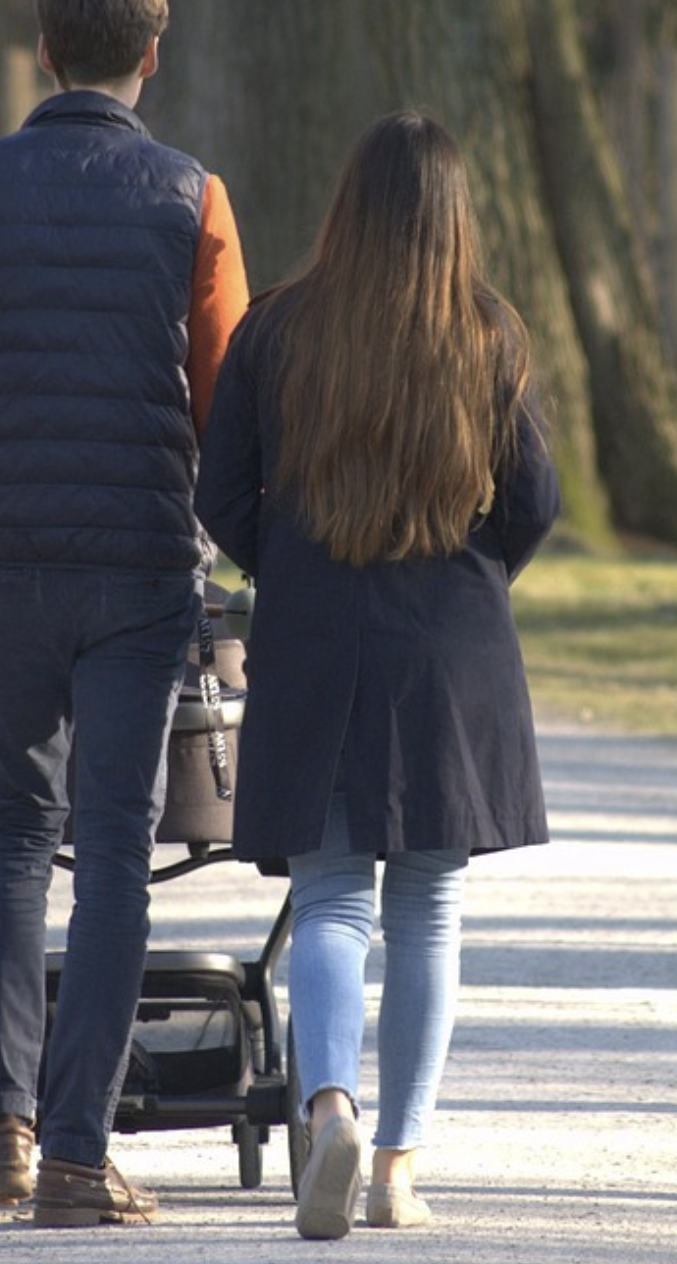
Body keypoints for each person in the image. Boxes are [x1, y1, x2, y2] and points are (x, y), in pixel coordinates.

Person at [0, 0, 249, 1227]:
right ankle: (78, 1155)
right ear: (150, 57)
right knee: (112, 847)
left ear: (44, 53)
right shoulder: (193, 198)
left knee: (12, 833)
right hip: (140, 563)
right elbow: (226, 393)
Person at [194, 111, 559, 1239]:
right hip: (449, 654)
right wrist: (473, 569)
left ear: (345, 210)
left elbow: (220, 496)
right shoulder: (489, 336)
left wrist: (291, 564)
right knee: (430, 912)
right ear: (455, 220)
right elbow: (536, 501)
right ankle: (398, 1162)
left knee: (334, 905)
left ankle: (329, 1106)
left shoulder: (276, 331)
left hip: (317, 645)